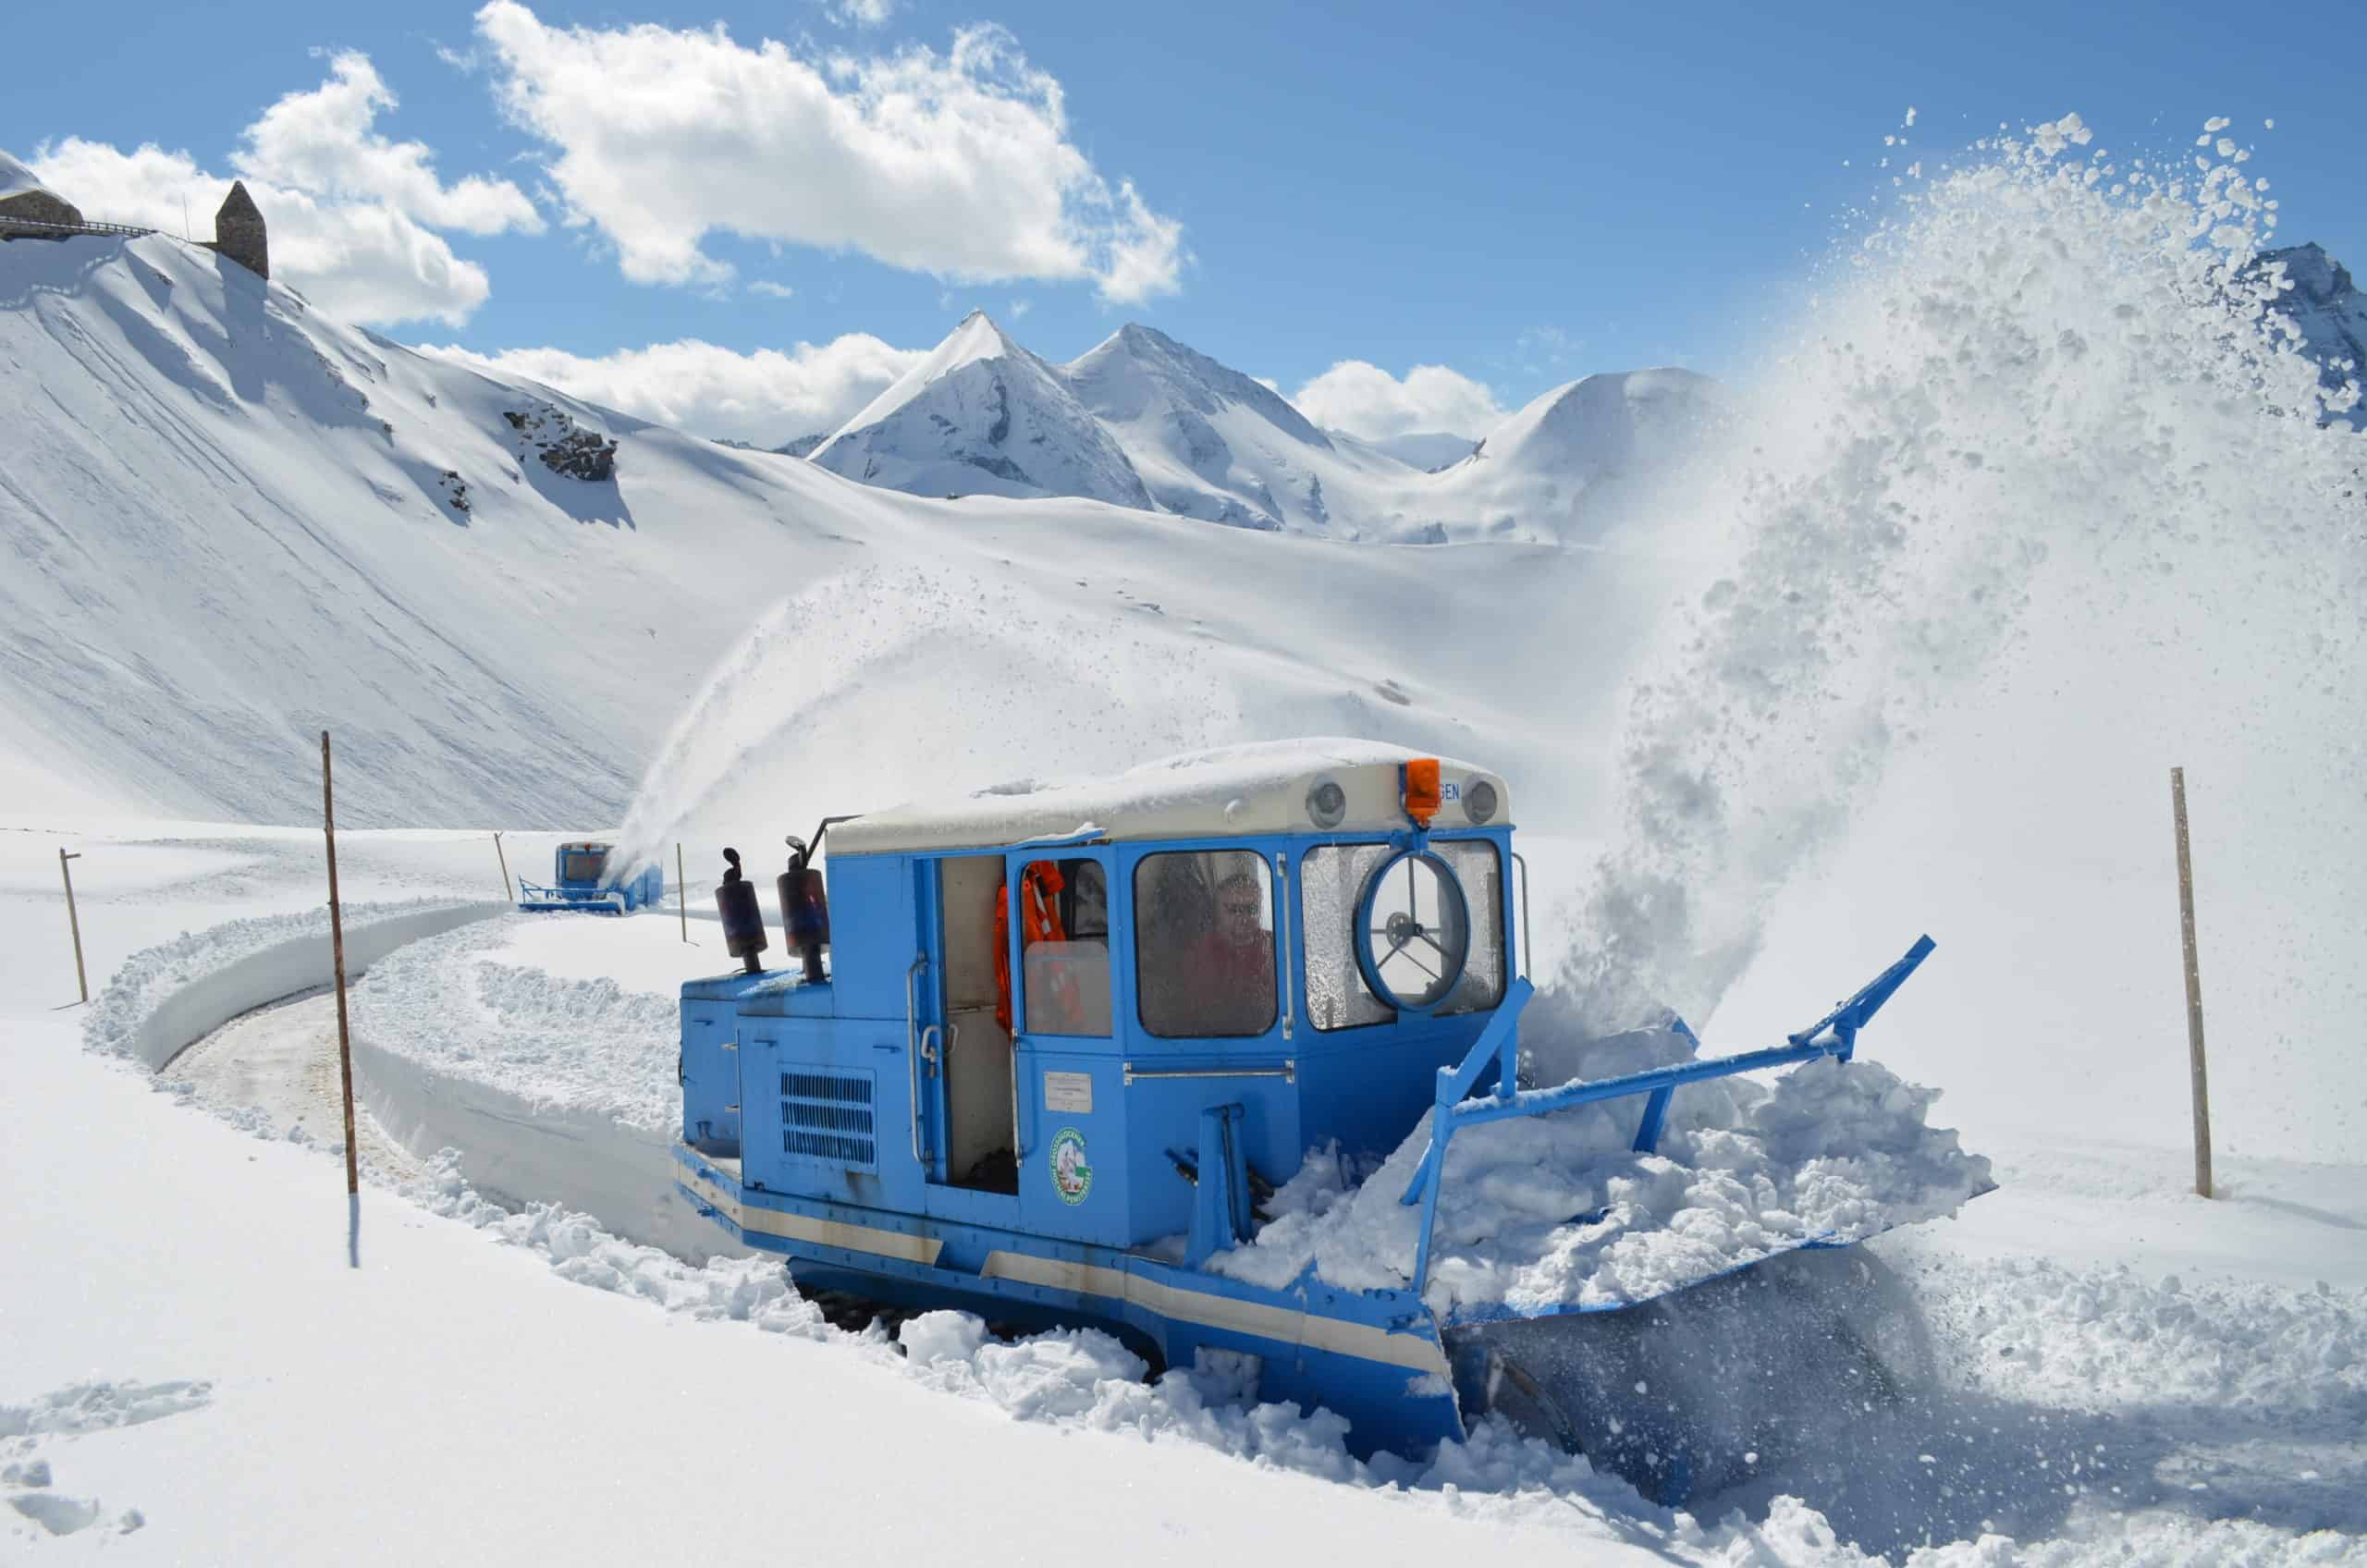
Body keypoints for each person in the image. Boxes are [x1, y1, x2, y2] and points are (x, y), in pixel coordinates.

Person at [1181, 866, 1276, 1035]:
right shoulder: (1198, 954)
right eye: (1233, 910)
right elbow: (1199, 1015)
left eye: (1251, 910)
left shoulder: (1275, 946)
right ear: (1217, 914)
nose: (1244, 919)